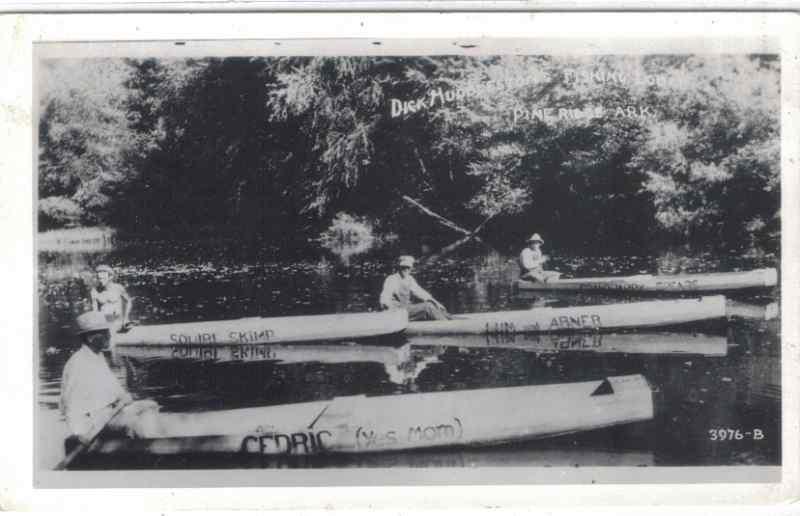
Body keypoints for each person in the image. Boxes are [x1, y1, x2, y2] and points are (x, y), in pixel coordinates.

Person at [60, 312, 161, 452]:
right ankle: (152, 452)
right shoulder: (78, 363)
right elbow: (70, 405)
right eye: (105, 333)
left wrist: (125, 398)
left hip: (110, 414)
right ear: (90, 338)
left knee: (150, 405)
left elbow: (115, 389)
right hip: (96, 424)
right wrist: (81, 434)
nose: (109, 336)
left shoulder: (96, 356)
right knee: (140, 419)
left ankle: (150, 446)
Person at [379, 255, 452, 321]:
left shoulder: (409, 279)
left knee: (434, 305)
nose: (406, 269)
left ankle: (450, 319)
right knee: (427, 306)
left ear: (411, 268)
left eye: (408, 267)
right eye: (403, 267)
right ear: (399, 267)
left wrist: (436, 303)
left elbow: (421, 293)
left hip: (406, 309)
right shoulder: (392, 279)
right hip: (397, 312)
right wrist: (387, 307)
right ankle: (447, 325)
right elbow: (385, 297)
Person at [90, 264, 133, 332]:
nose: (100, 281)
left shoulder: (118, 288)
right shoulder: (95, 291)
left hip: (118, 319)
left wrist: (126, 317)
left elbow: (128, 302)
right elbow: (94, 309)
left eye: (103, 278)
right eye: (98, 278)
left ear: (110, 277)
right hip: (103, 320)